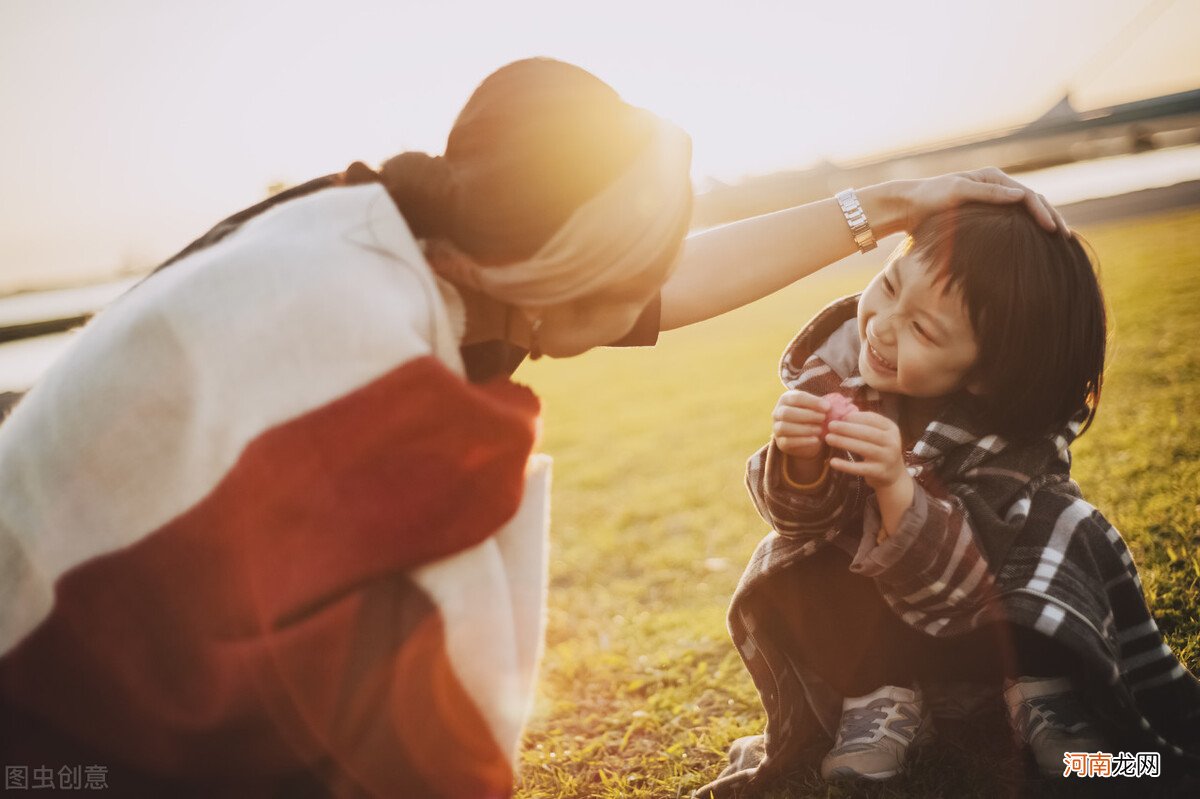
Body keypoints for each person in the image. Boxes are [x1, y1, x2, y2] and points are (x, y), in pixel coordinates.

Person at [0, 57, 1065, 797]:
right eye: (638, 266)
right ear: (571, 270)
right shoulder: (382, 360)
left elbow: (648, 286)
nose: (654, 296)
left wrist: (885, 202)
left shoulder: (374, 227)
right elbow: (441, 745)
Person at [696, 204, 1200, 798]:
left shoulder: (1014, 450)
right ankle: (877, 696)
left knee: (1061, 530)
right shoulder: (835, 381)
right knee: (798, 557)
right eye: (887, 286)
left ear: (984, 373)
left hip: (999, 639)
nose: (882, 326)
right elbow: (801, 522)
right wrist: (800, 460)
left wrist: (895, 487)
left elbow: (965, 587)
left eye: (923, 329)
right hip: (890, 644)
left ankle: (1047, 702)